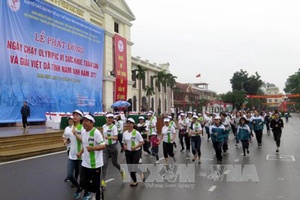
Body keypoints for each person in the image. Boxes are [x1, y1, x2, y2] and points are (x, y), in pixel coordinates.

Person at [77, 114, 106, 200]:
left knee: (96, 184)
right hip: (85, 163)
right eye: (83, 121)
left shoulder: (96, 133)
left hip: (95, 164)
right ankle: (97, 190)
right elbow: (84, 145)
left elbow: (103, 146)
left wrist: (93, 148)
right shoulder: (83, 132)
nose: (84, 123)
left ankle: (98, 194)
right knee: (82, 182)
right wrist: (80, 152)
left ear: (92, 123)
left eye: (86, 121)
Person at [102, 113, 125, 188]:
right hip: (105, 147)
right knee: (104, 164)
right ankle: (103, 181)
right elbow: (103, 137)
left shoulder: (114, 127)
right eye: (108, 118)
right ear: (106, 118)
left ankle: (122, 171)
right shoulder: (104, 126)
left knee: (114, 163)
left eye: (111, 118)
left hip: (113, 147)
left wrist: (108, 138)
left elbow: (116, 138)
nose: (110, 119)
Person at [122, 118, 145, 187]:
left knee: (134, 167)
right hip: (128, 152)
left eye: (130, 123)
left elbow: (142, 142)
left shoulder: (136, 133)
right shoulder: (125, 133)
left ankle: (141, 173)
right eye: (127, 123)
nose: (129, 124)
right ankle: (135, 181)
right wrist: (125, 146)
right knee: (130, 168)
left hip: (136, 152)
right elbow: (124, 142)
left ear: (133, 124)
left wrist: (135, 147)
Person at [62, 116, 73, 183]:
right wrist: (64, 141)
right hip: (68, 147)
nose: (70, 121)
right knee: (70, 161)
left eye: (71, 120)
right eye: (69, 120)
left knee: (72, 162)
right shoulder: (66, 128)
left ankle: (71, 176)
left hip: (74, 147)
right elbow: (64, 136)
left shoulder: (75, 128)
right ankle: (70, 175)